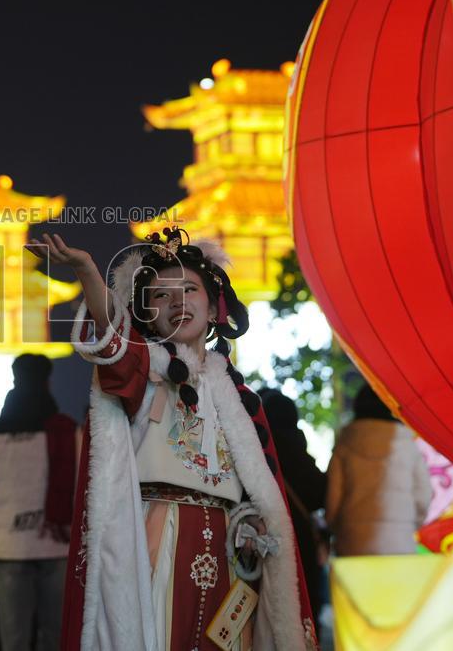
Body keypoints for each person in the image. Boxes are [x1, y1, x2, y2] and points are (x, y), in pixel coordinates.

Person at [31, 229, 317, 651]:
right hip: (158, 534)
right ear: (145, 314)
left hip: (228, 548)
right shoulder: (142, 370)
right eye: (162, 296)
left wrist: (252, 521)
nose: (179, 302)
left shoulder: (240, 399)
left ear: (214, 303)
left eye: (189, 289)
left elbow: (252, 486)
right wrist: (89, 273)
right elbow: (111, 338)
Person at [0, 353, 78, 651]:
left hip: (7, 548)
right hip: (57, 545)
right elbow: (77, 493)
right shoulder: (66, 430)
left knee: (13, 640)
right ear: (47, 382)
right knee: (56, 637)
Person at [326, 384, 432, 556]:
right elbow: (424, 493)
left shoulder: (345, 443)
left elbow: (333, 496)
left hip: (353, 544)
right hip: (399, 543)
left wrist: (335, 527)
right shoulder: (407, 444)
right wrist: (411, 523)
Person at [260, 389, 328, 628]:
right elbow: (320, 494)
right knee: (306, 615)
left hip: (263, 541)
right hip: (301, 545)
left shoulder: (256, 448)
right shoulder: (296, 447)